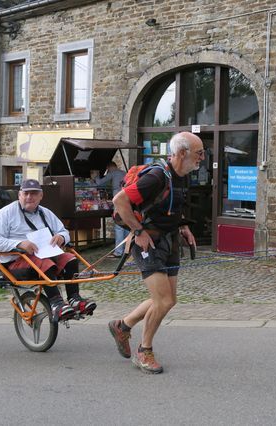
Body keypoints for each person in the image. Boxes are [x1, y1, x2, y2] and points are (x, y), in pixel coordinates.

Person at [108, 132, 202, 374]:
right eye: (199, 153)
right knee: (164, 300)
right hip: (147, 242)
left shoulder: (181, 176)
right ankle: (144, 351)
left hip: (168, 241)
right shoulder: (156, 176)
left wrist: (183, 226)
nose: (202, 157)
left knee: (168, 299)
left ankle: (123, 325)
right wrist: (138, 231)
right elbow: (120, 201)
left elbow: (170, 207)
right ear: (182, 153)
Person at [0, 179, 96, 322]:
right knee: (43, 262)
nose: (29, 197)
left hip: (45, 256)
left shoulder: (46, 213)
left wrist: (61, 237)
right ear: (19, 195)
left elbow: (64, 231)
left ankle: (74, 299)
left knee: (70, 259)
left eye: (33, 193)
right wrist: (19, 243)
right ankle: (56, 303)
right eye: (26, 193)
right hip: (15, 262)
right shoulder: (6, 213)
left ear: (41, 196)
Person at [94, 162, 128, 258]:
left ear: (108, 167)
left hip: (118, 200)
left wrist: (95, 176)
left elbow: (100, 183)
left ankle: (118, 252)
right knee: (126, 225)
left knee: (118, 226)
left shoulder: (112, 173)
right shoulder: (124, 172)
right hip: (128, 200)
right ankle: (127, 249)